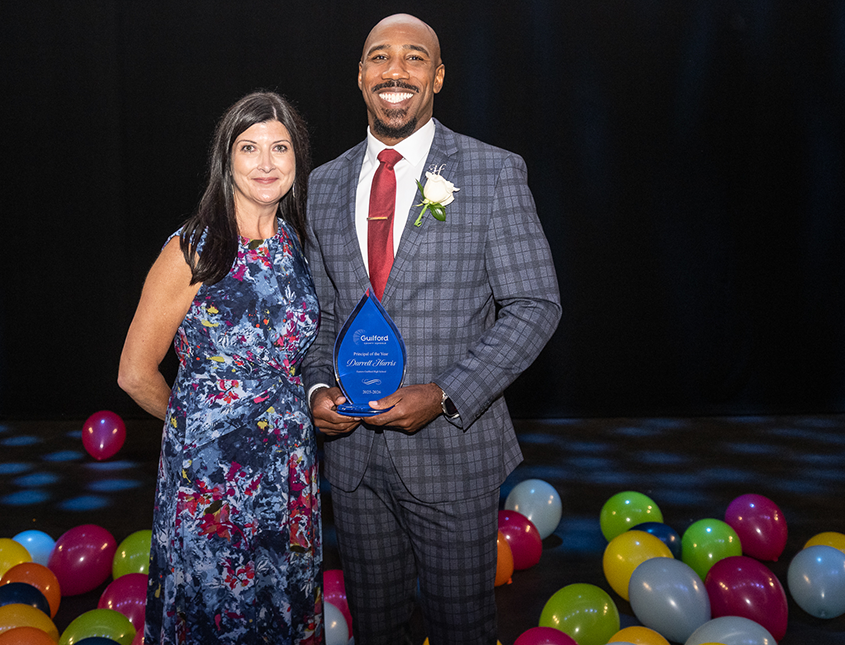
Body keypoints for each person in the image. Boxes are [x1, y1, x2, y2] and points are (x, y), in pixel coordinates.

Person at [303, 13, 562, 645]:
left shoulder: (493, 172)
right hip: (355, 460)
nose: (396, 71)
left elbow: (535, 304)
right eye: (379, 58)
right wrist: (314, 394)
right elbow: (322, 315)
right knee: (375, 628)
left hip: (453, 454)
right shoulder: (322, 184)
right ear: (361, 75)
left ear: (439, 76)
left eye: (414, 58)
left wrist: (445, 395)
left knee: (461, 628)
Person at [118, 91, 323, 644]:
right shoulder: (194, 249)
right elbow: (135, 372)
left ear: (297, 159)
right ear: (225, 159)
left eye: (280, 147)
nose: (265, 162)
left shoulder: (295, 244)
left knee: (281, 606)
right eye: (248, 147)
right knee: (217, 616)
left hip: (290, 470)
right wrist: (200, 428)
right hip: (213, 484)